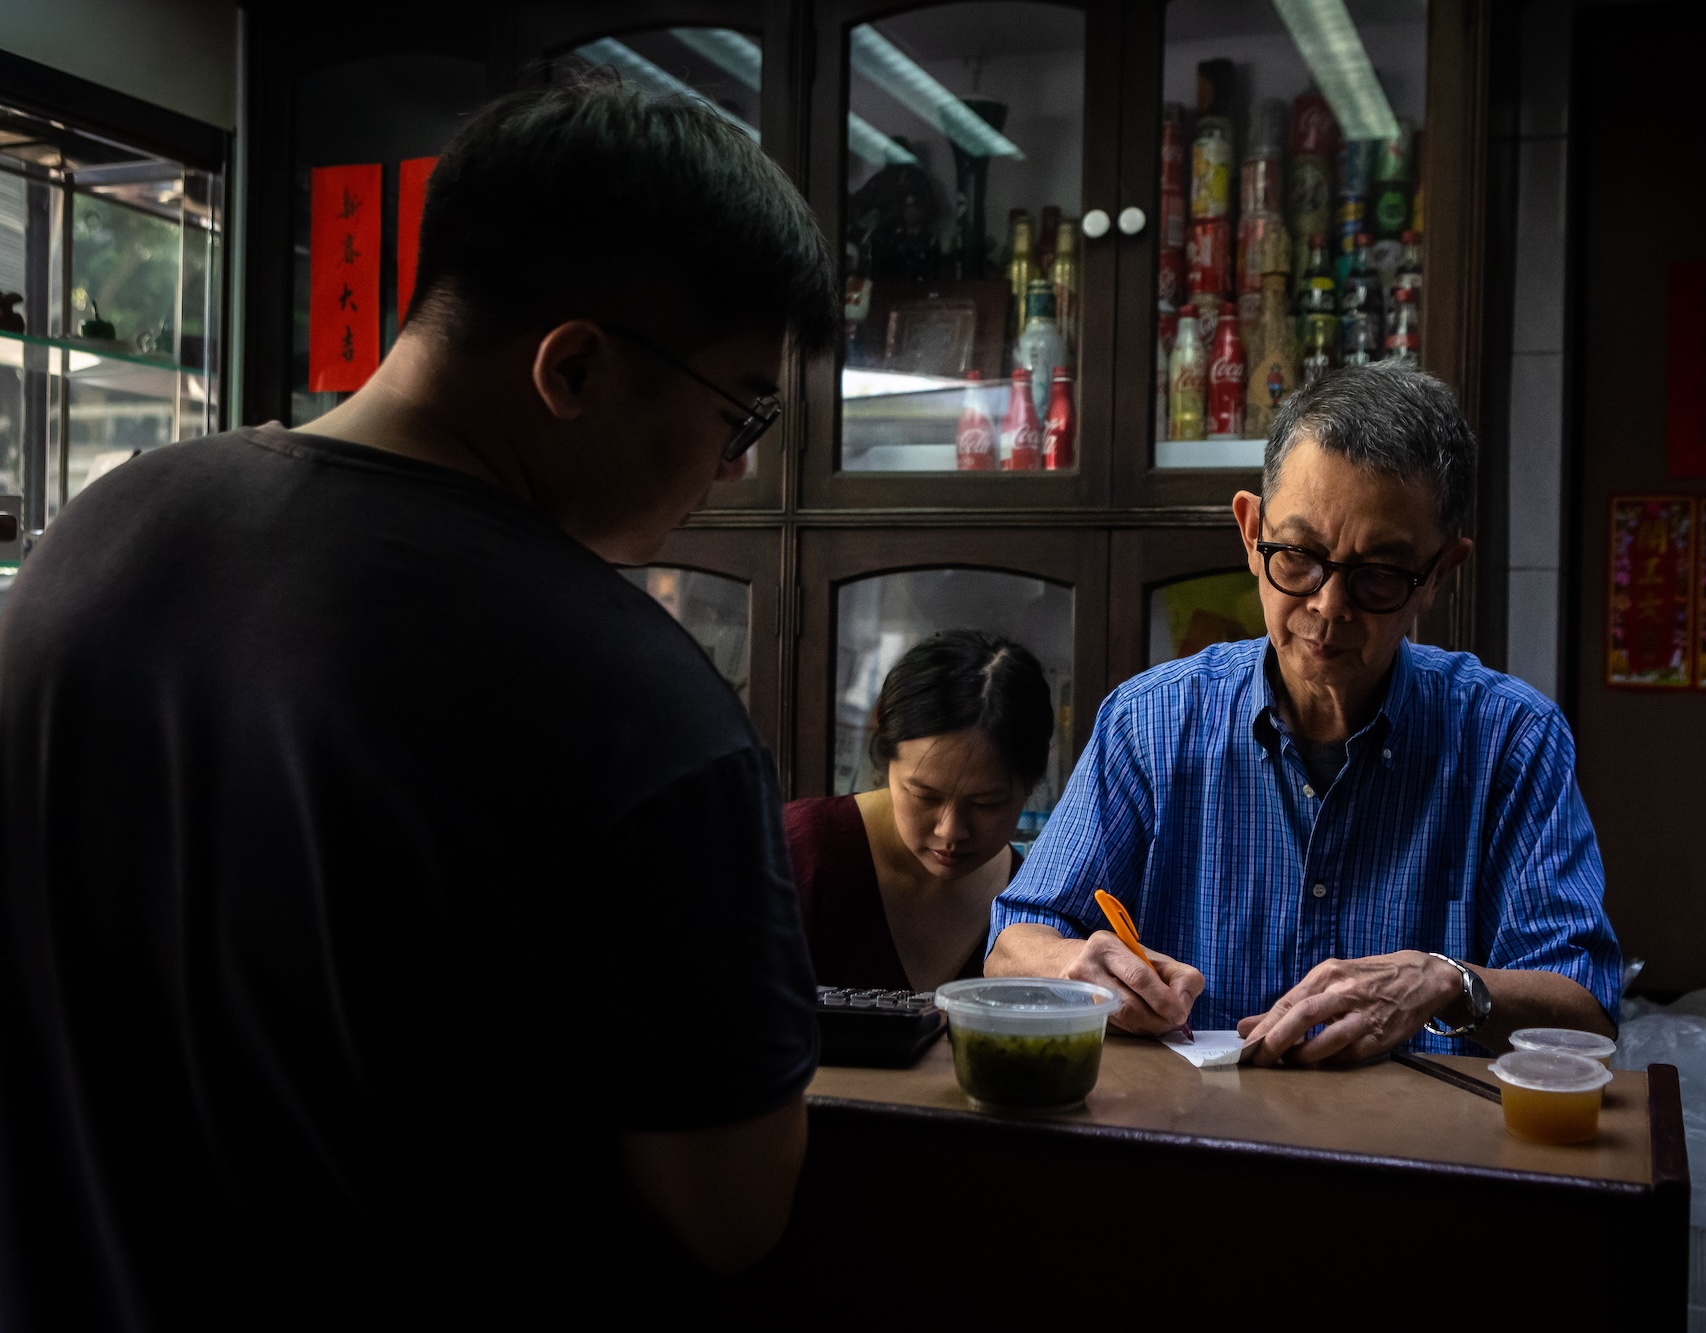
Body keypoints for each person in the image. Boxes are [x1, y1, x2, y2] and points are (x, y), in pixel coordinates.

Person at [0, 76, 839, 1329]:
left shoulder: (102, 527)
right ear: (574, 367)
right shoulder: (638, 701)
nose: (735, 468)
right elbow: (731, 1208)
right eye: (739, 412)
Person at [987, 363, 1620, 1066]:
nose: (1327, 606)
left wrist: (1448, 981)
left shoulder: (1509, 741)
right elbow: (1015, 941)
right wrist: (1080, 966)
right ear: (1252, 531)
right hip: (1189, 1150)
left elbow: (1587, 1012)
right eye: (1299, 557)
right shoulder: (1151, 722)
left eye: (1379, 574)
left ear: (1439, 573)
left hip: (1415, 1162)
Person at [788, 630, 1052, 993]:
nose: (950, 831)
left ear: (1030, 784)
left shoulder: (1035, 903)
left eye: (986, 804)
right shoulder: (797, 851)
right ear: (886, 763)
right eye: (925, 797)